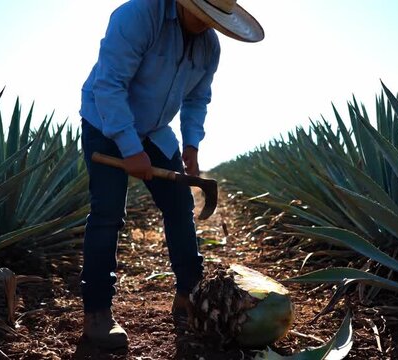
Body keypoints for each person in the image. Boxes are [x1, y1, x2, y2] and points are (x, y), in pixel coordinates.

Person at [78, 0, 264, 350]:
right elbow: (109, 85)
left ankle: (190, 296)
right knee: (107, 214)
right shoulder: (137, 16)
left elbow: (197, 98)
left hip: (156, 130)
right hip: (105, 122)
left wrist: (191, 145)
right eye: (204, 16)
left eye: (215, 20)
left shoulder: (209, 45)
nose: (209, 25)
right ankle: (97, 314)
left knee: (180, 208)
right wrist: (130, 149)